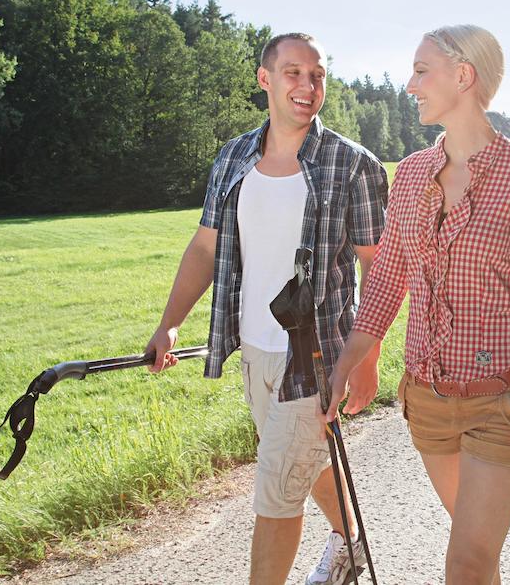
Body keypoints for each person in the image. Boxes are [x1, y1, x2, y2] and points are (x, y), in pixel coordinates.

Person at [324, 25, 510, 585]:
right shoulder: (413, 172)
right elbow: (389, 275)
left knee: (465, 562)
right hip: (428, 401)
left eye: (422, 70)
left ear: (463, 75)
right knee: (477, 557)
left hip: (502, 402)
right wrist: (347, 364)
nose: (410, 84)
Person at [145, 32, 387, 585]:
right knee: (307, 461)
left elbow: (379, 265)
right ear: (265, 79)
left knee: (276, 493)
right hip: (255, 351)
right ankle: (352, 542)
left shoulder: (352, 165)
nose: (307, 87)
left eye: (317, 76)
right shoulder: (233, 158)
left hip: (319, 356)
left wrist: (366, 357)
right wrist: (169, 324)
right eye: (294, 73)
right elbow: (206, 246)